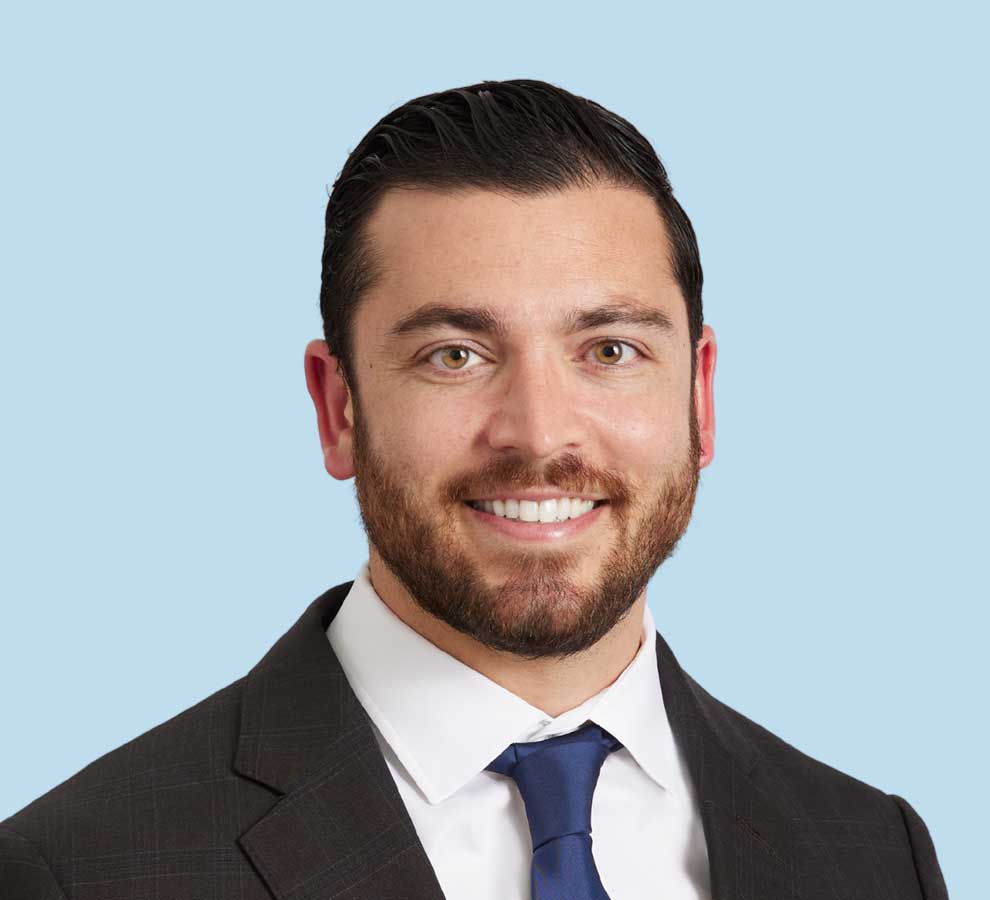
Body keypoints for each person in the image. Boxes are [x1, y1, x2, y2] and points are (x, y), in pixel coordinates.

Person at [0, 79, 947, 900]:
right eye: (455, 355)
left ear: (699, 396)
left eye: (610, 350)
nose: (538, 435)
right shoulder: (76, 872)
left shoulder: (874, 855)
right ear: (339, 408)